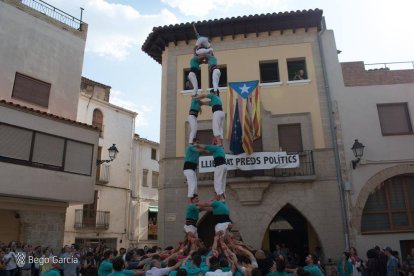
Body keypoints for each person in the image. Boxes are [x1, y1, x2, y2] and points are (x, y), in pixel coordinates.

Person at [188, 31, 221, 97]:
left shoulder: (207, 57)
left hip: (213, 71)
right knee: (215, 83)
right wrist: (208, 49)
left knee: (213, 83)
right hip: (217, 71)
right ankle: (216, 93)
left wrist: (197, 50)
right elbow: (202, 59)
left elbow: (203, 57)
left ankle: (215, 93)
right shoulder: (212, 58)